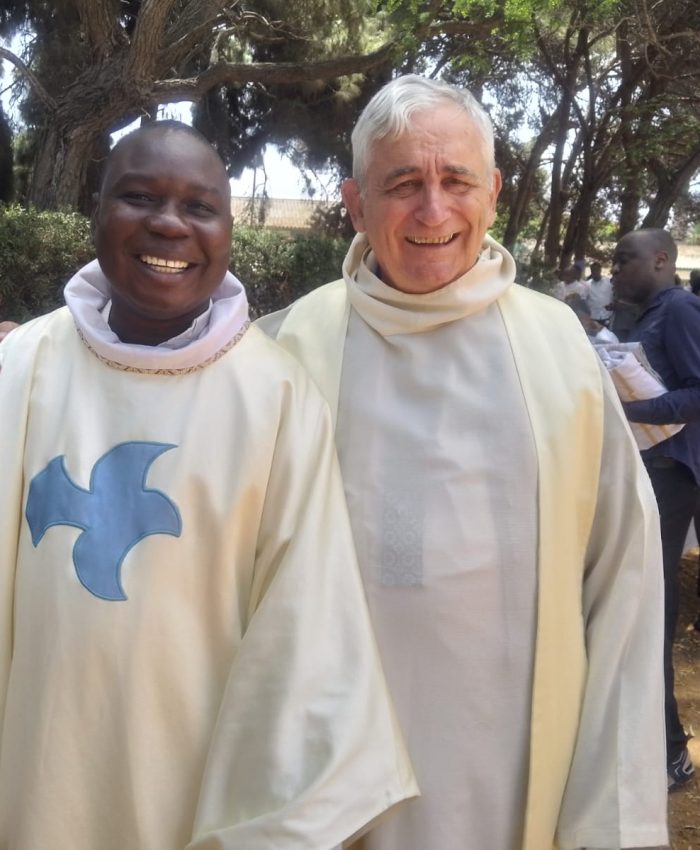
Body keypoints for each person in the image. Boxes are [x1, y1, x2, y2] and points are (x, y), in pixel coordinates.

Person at [258, 75, 668, 850]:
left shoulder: (560, 353)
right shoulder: (288, 348)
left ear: (496, 191)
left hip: (514, 764)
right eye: (404, 184)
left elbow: (627, 581)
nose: (433, 211)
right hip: (326, 770)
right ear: (355, 202)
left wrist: (610, 812)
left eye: (457, 182)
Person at [0, 121, 418, 850]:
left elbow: (308, 622)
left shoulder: (277, 397)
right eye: (138, 196)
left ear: (228, 231)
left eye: (200, 206)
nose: (169, 223)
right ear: (97, 212)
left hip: (202, 777)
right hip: (37, 766)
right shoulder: (25, 367)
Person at [611, 227, 700, 792]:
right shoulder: (643, 315)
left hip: (669, 478)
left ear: (662, 260)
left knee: (655, 608)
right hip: (642, 474)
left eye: (625, 259)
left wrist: (633, 409)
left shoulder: (683, 309)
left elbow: (696, 393)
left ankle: (671, 753)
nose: (615, 269)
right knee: (630, 606)